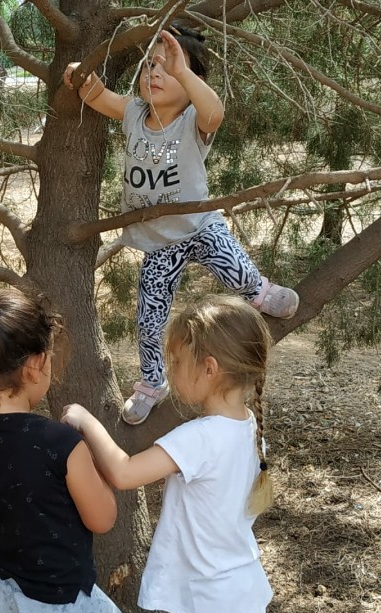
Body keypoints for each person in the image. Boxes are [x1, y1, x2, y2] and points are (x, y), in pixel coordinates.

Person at [64, 25, 299, 425]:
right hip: (159, 243)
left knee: (230, 260)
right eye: (149, 65)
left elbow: (216, 111)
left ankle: (258, 291)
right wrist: (79, 74)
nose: (155, 73)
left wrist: (185, 74)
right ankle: (153, 382)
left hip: (198, 225)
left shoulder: (194, 118)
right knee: (150, 315)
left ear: (192, 81)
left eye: (169, 67)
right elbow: (98, 96)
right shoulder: (135, 113)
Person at [62, 295, 275, 613]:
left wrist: (85, 420)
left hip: (204, 594)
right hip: (237, 584)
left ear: (209, 369)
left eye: (176, 362)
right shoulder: (248, 427)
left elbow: (124, 473)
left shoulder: (199, 437)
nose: (170, 370)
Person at [0, 288, 154, 613]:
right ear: (34, 365)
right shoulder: (59, 443)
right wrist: (91, 446)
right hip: (62, 600)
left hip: (6, 592)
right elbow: (103, 518)